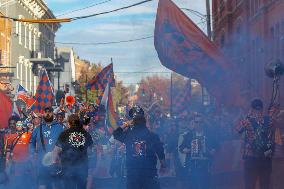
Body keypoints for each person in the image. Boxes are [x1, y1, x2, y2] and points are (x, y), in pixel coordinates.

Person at [113, 105, 166, 189]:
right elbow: (161, 153)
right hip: (149, 173)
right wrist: (163, 166)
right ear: (144, 121)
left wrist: (126, 124)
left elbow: (116, 133)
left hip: (133, 173)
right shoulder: (153, 136)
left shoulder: (128, 135)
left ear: (132, 121)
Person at [236, 99, 279, 189]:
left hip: (251, 158)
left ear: (251, 109)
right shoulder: (269, 120)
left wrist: (247, 115)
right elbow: (275, 136)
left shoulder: (247, 121)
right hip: (265, 158)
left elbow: (237, 129)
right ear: (262, 109)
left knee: (249, 185)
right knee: (265, 185)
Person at [51, 114, 93, 189]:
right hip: (82, 168)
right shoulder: (86, 134)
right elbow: (90, 151)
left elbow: (56, 151)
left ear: (68, 123)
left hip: (67, 169)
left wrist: (54, 164)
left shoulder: (64, 134)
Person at [179, 113, 217, 189]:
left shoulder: (208, 134)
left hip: (205, 163)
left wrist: (213, 150)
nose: (198, 124)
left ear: (203, 123)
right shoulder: (189, 134)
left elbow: (216, 144)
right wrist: (187, 150)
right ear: (194, 123)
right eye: (196, 122)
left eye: (200, 122)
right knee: (194, 185)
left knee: (205, 184)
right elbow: (181, 148)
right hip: (193, 164)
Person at [30, 107, 64, 189]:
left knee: (55, 185)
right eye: (46, 112)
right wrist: (33, 152)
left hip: (55, 163)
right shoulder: (38, 128)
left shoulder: (60, 127)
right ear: (43, 114)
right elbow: (31, 142)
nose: (48, 114)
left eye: (50, 112)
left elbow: (65, 143)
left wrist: (60, 154)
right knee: (42, 185)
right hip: (41, 163)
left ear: (53, 114)